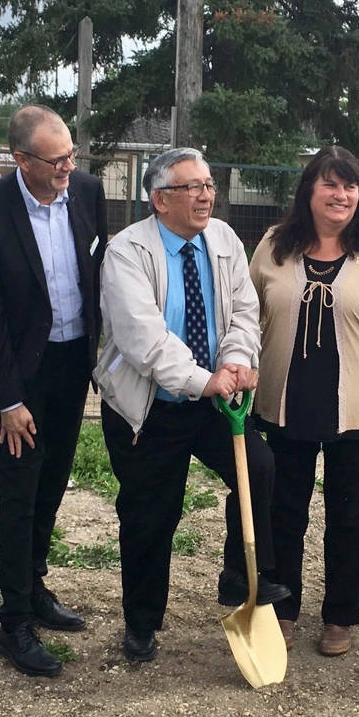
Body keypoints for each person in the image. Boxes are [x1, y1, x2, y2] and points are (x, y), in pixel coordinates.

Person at [94, 147, 289, 662]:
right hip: (149, 408)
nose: (206, 195)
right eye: (192, 187)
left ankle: (238, 578)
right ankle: (141, 623)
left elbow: (244, 310)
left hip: (209, 400)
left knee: (260, 467)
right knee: (151, 516)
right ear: (160, 199)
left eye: (208, 184)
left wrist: (236, 359)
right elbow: (145, 340)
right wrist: (207, 379)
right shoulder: (126, 253)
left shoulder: (222, 239)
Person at [248, 146, 359, 656]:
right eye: (329, 184)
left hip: (357, 408)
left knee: (351, 517)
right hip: (284, 401)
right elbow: (244, 310)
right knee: (283, 513)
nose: (340, 195)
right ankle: (282, 609)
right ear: (309, 191)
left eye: (349, 186)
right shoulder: (276, 244)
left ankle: (340, 616)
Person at [0, 105, 107, 677]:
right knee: (19, 490)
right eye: (56, 159)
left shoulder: (87, 193)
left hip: (73, 364)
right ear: (21, 160)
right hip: (23, 374)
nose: (69, 166)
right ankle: (13, 620)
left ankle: (35, 583)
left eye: (72, 154)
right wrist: (9, 400)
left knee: (53, 480)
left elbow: (99, 278)